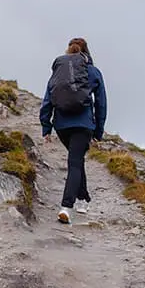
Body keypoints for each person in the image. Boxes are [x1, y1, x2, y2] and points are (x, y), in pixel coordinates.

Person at [40, 37, 107, 225]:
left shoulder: (58, 71)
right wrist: (98, 131)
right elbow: (101, 103)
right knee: (75, 163)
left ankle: (83, 198)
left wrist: (46, 126)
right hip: (83, 125)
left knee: (75, 160)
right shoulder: (93, 72)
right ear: (86, 51)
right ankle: (66, 207)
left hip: (62, 125)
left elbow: (48, 97)